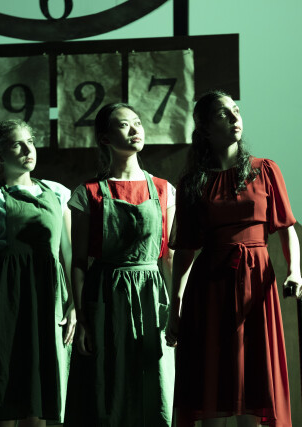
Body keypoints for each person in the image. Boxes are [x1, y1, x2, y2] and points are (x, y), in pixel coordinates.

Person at [166, 90, 302, 427]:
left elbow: (286, 228)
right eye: (223, 114)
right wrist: (175, 309)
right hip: (210, 287)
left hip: (256, 283)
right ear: (204, 128)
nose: (234, 118)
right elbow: (185, 250)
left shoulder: (265, 170)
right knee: (212, 384)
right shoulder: (192, 182)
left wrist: (295, 272)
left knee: (253, 381)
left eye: (236, 111)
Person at [64, 103, 176, 426]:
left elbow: (169, 257)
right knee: (106, 392)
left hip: (150, 297)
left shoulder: (163, 189)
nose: (135, 129)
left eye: (137, 122)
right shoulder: (88, 193)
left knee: (153, 389)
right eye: (124, 125)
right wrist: (82, 318)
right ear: (105, 138)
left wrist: (177, 311)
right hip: (105, 298)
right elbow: (78, 262)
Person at [0, 119, 75, 427]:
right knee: (3, 389)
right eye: (17, 144)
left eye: (30, 142)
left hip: (47, 295)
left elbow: (69, 253)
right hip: (5, 297)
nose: (28, 149)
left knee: (37, 398)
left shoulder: (58, 193)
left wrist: (74, 305)